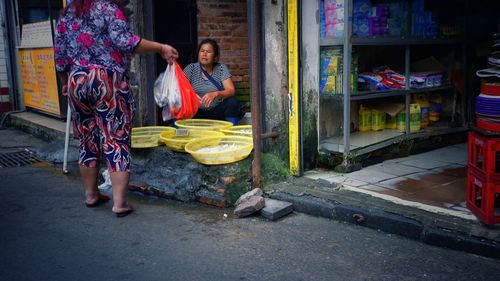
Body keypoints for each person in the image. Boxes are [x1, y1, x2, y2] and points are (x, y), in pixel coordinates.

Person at [54, 0, 178, 217]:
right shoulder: (107, 8)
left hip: (77, 80)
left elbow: (60, 58)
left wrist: (66, 83)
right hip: (107, 79)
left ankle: (91, 194)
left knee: (87, 139)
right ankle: (119, 203)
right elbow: (125, 41)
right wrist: (161, 47)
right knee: (116, 138)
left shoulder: (67, 14)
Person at [183, 38, 244, 126]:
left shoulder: (221, 69)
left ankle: (232, 133)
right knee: (179, 102)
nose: (204, 54)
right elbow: (180, 88)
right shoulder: (191, 68)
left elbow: (231, 90)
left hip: (216, 112)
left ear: (215, 56)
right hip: (195, 113)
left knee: (232, 102)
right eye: (202, 51)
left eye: (208, 52)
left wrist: (215, 94)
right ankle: (180, 132)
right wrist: (191, 95)